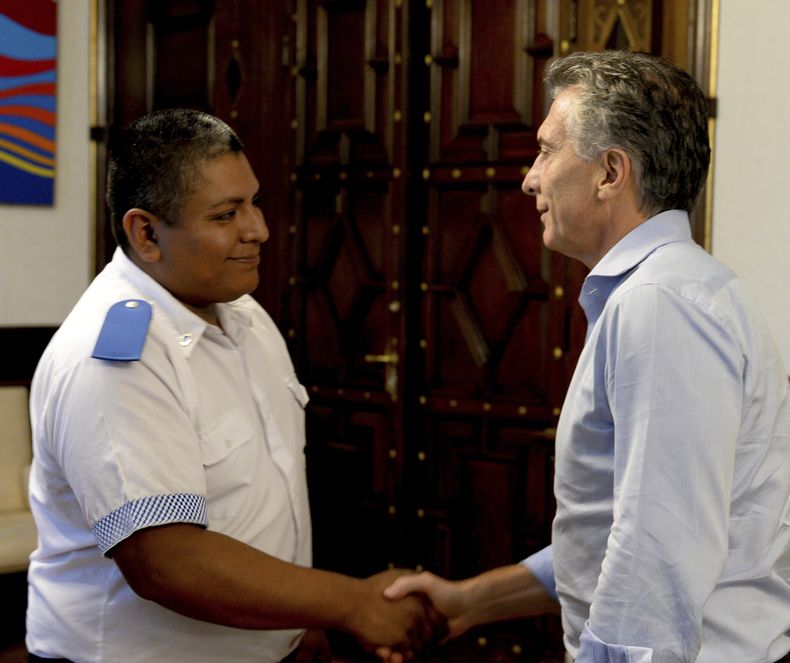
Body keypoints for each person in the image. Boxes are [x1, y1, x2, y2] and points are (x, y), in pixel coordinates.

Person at [380, 50, 790, 663]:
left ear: (609, 173)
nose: (529, 176)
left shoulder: (660, 303)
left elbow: (655, 553)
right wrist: (472, 601)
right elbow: (612, 530)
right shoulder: (668, 291)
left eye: (546, 150)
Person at [26, 108, 443, 663]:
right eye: (226, 214)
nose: (259, 229)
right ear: (146, 232)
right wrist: (351, 605)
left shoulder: (244, 315)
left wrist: (297, 625)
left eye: (254, 202)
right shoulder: (112, 355)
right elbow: (165, 560)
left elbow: (265, 495)